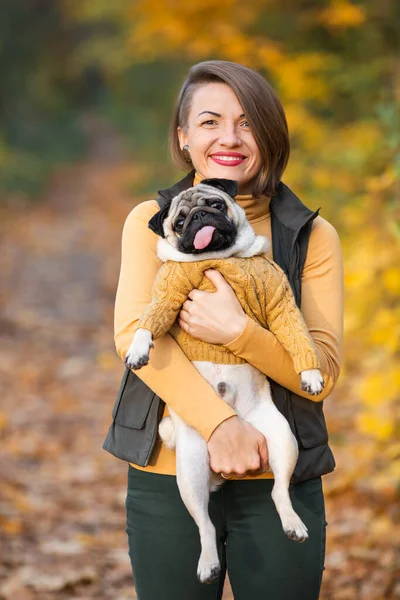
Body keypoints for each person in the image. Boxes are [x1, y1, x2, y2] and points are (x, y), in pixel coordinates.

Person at [114, 60, 343, 600]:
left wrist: (240, 332)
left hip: (280, 473)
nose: (230, 139)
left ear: (270, 134)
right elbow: (134, 339)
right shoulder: (149, 220)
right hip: (167, 475)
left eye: (247, 123)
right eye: (211, 122)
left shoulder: (313, 235)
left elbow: (323, 371)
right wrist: (220, 426)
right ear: (184, 136)